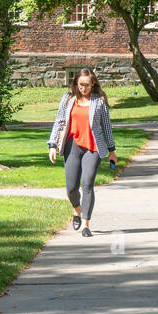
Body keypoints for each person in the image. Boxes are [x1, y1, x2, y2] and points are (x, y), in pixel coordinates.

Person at [47, 68, 117, 238]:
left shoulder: (99, 101)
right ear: (75, 84)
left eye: (86, 85)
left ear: (93, 83)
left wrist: (112, 150)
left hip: (92, 147)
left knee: (87, 184)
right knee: (71, 188)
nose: (83, 88)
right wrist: (52, 145)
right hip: (72, 145)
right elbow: (59, 121)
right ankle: (77, 210)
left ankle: (86, 224)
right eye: (80, 85)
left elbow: (106, 127)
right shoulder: (68, 99)